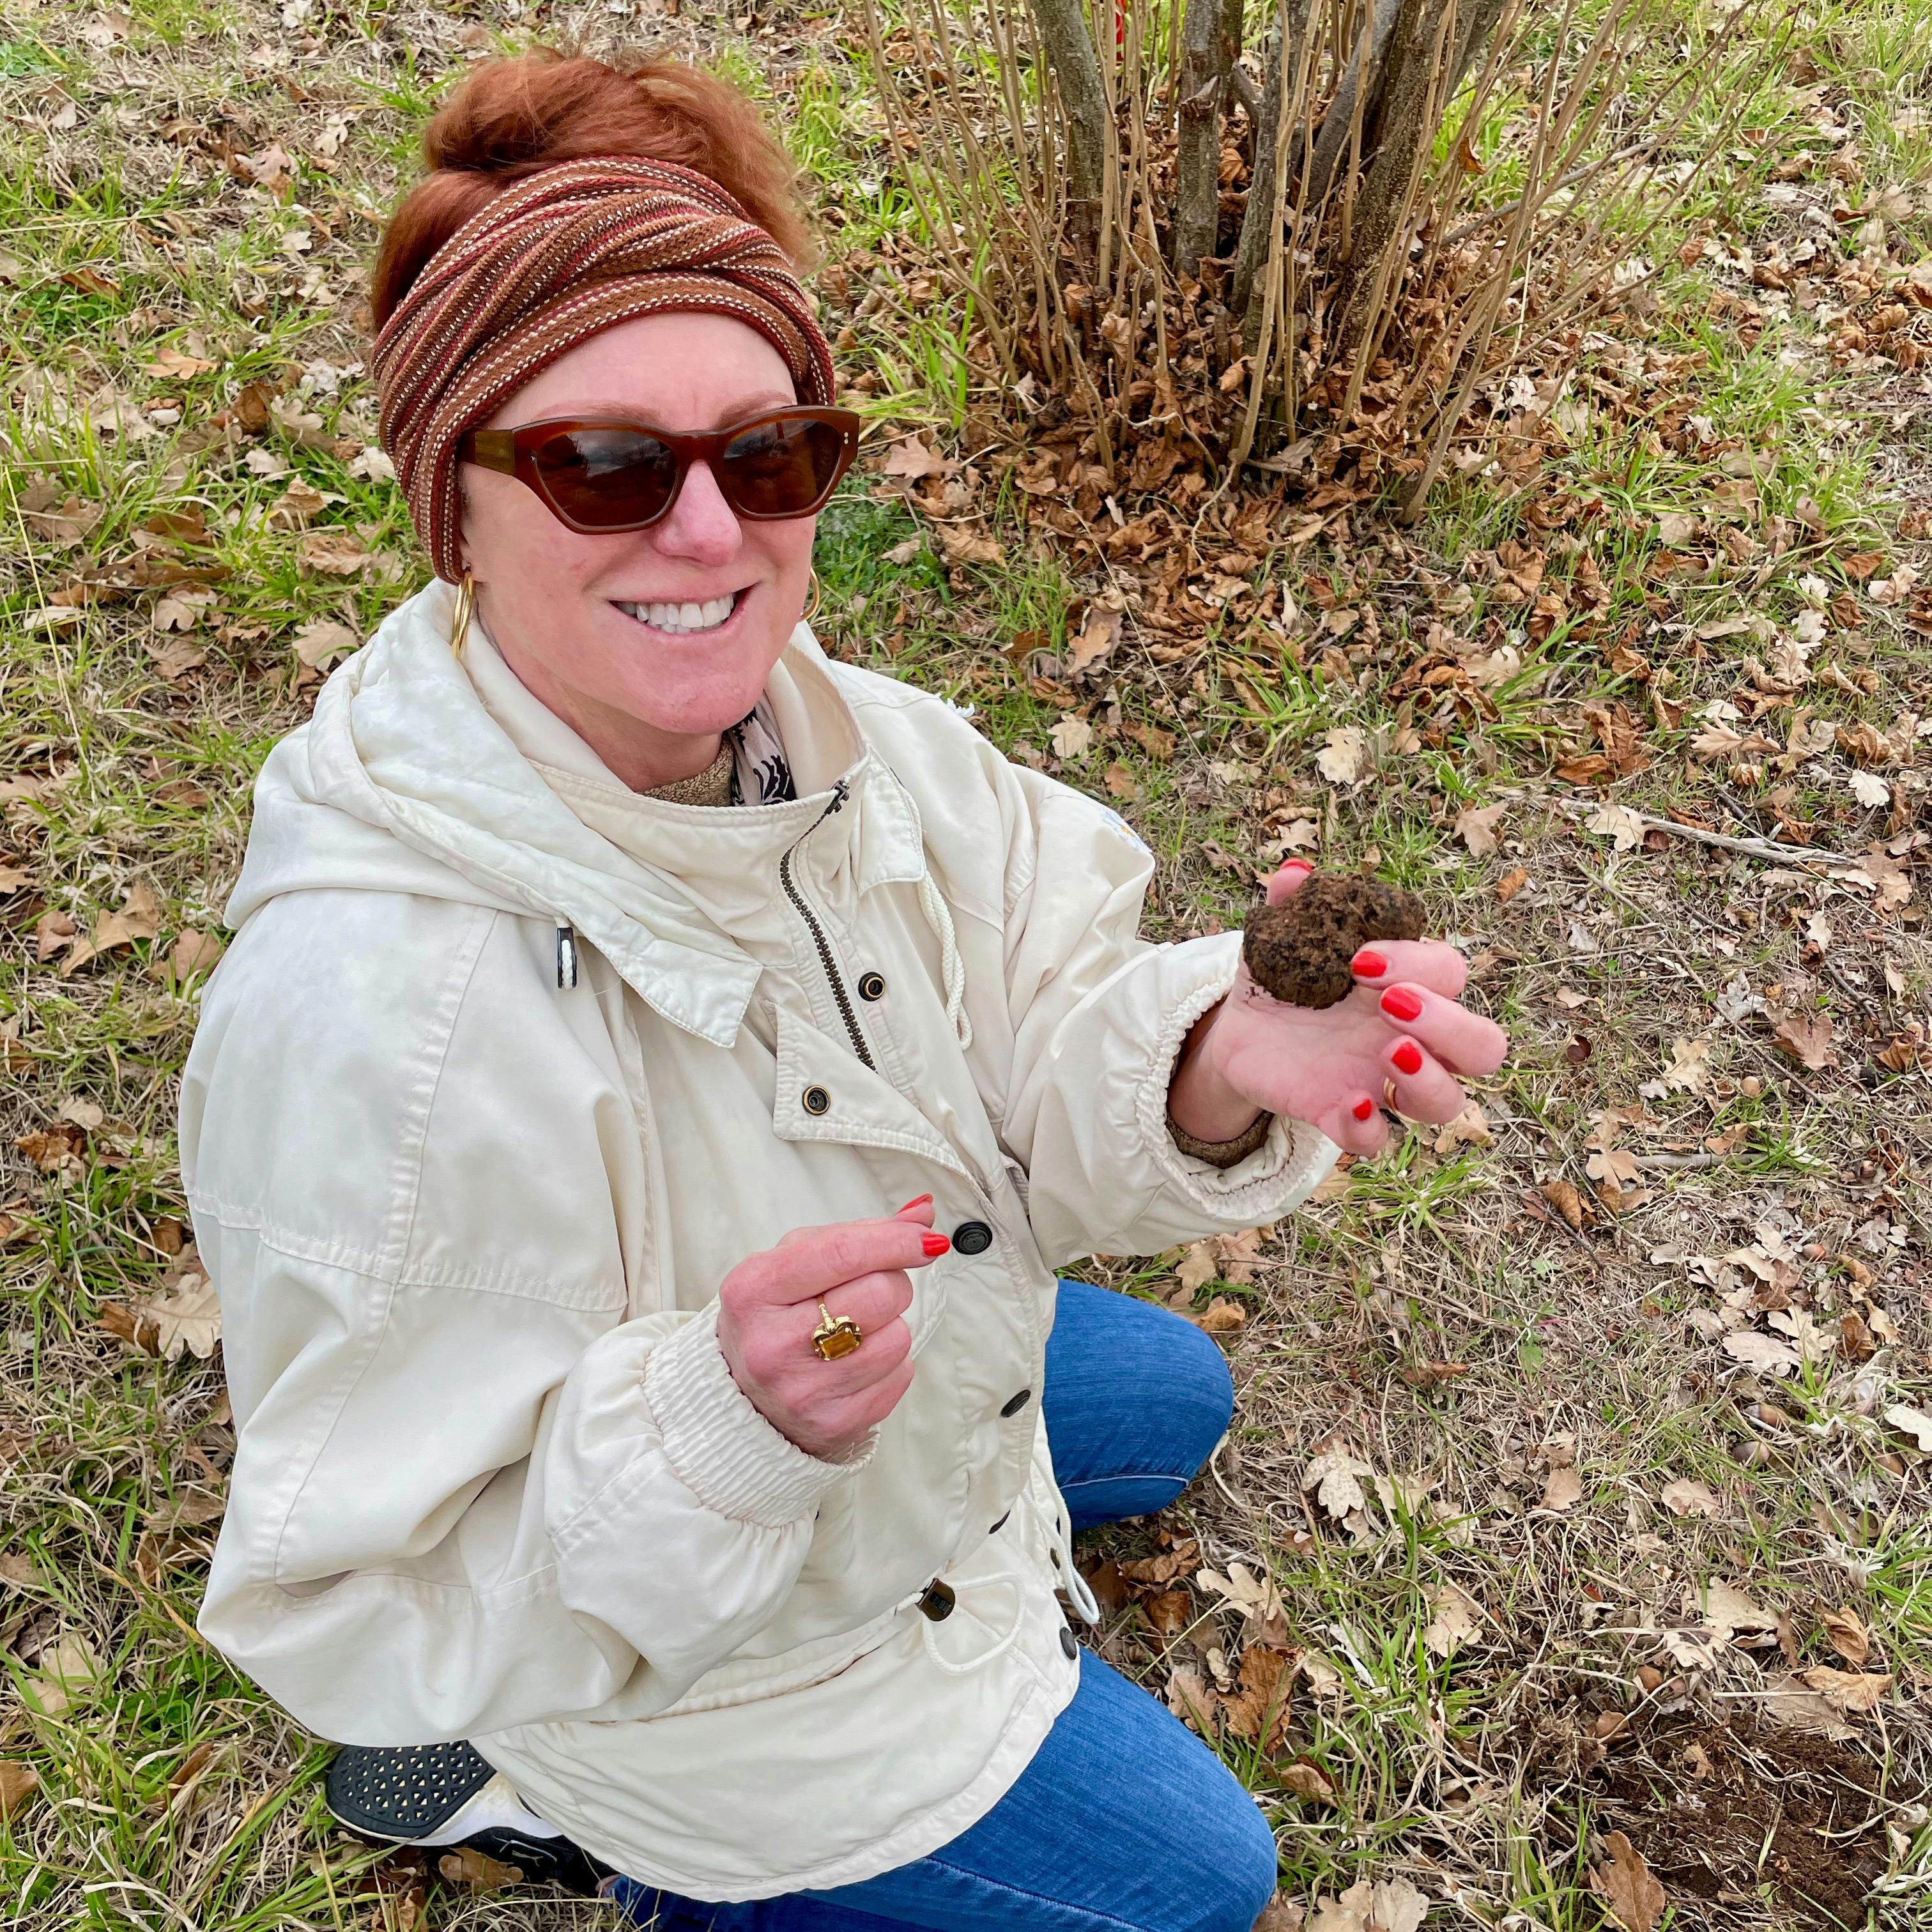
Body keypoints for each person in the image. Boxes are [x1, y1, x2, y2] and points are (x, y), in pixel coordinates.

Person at [178, 49, 1507, 1932]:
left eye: (770, 450)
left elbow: (1041, 1026)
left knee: (1177, 1399)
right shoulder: (380, 1031)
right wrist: (719, 1427)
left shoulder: (848, 741)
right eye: (604, 466)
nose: (712, 535)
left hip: (860, 1389)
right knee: (1208, 1885)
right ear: (452, 505)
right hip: (712, 1689)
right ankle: (578, 1813)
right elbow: (368, 1595)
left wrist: (1217, 1056)